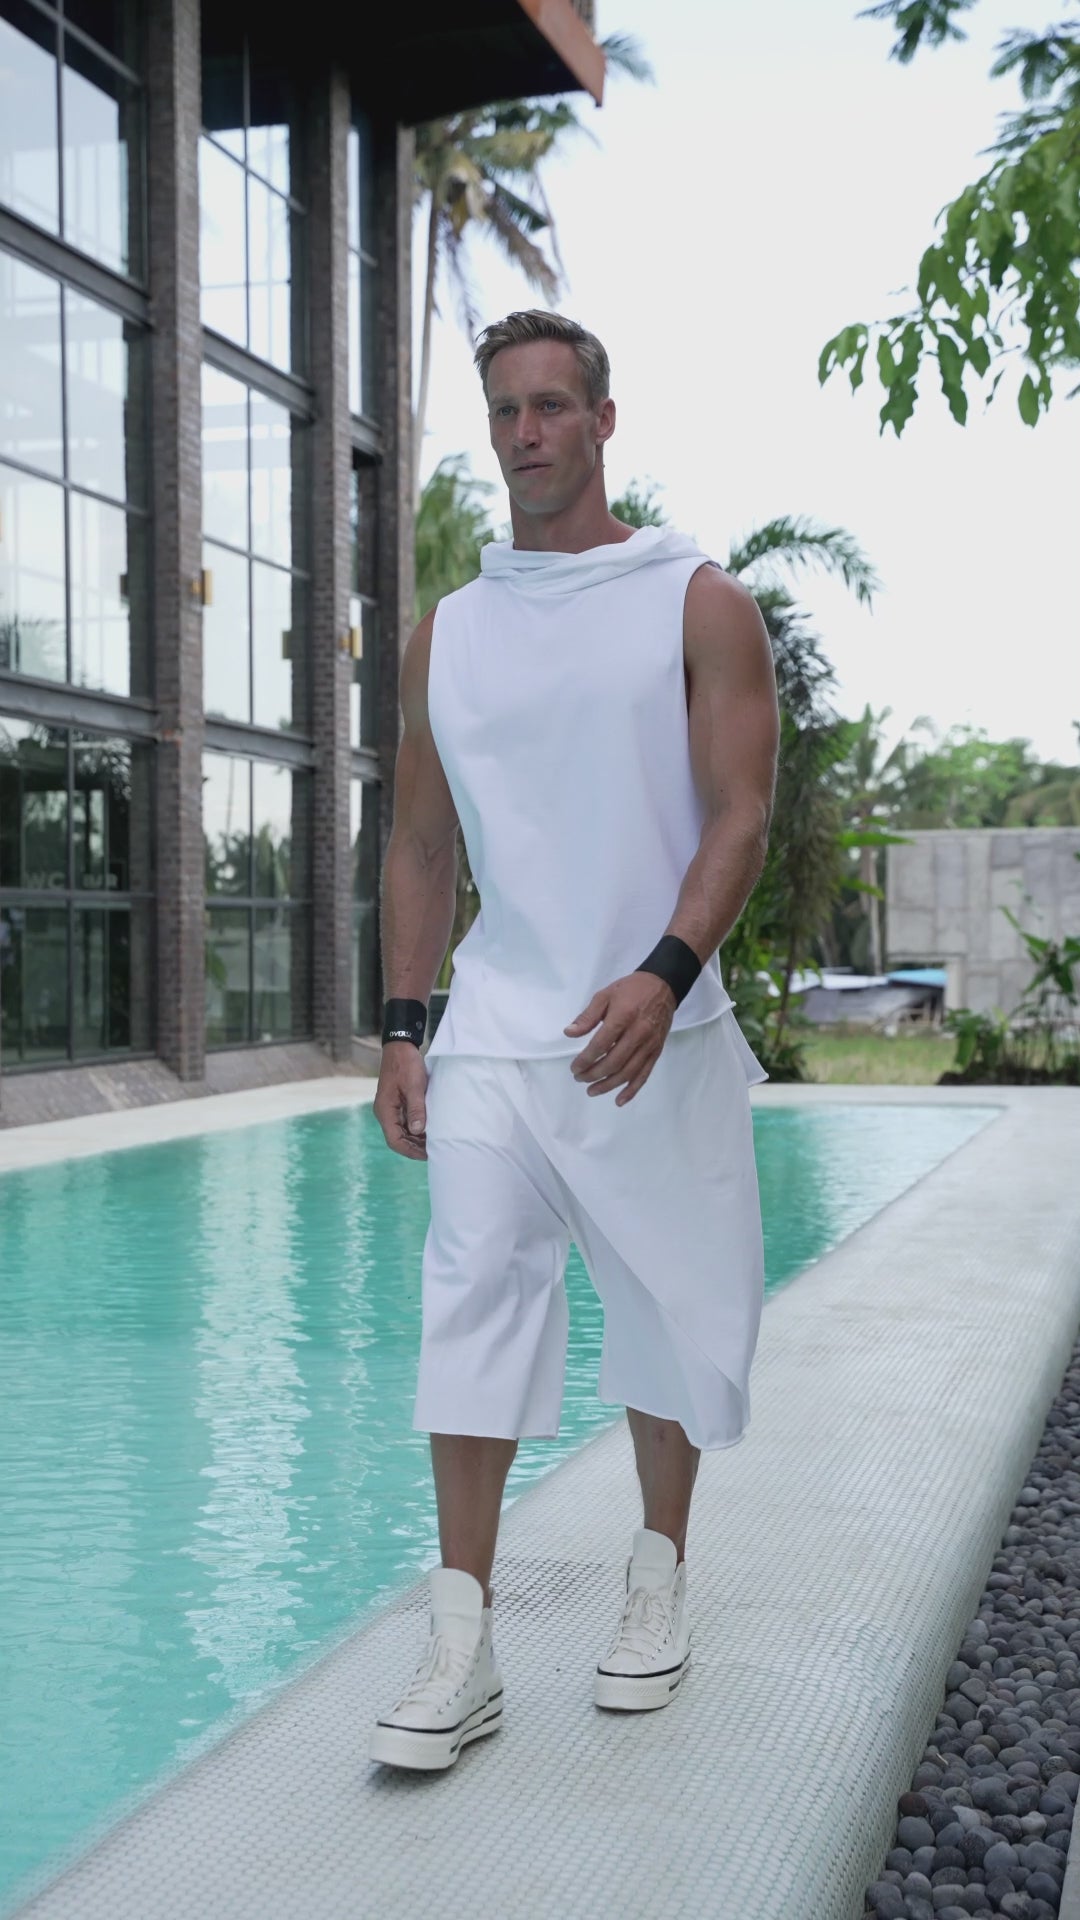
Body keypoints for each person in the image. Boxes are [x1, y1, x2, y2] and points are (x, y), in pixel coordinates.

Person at [368, 310, 779, 1773]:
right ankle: (461, 1642)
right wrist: (404, 1025)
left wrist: (666, 974)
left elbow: (741, 811)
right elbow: (422, 843)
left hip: (653, 1029)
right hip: (495, 1028)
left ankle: (656, 1577)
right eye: (505, 411)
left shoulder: (696, 603)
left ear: (605, 420)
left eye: (552, 406)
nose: (527, 433)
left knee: (665, 1308)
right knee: (469, 1301)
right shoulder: (450, 633)